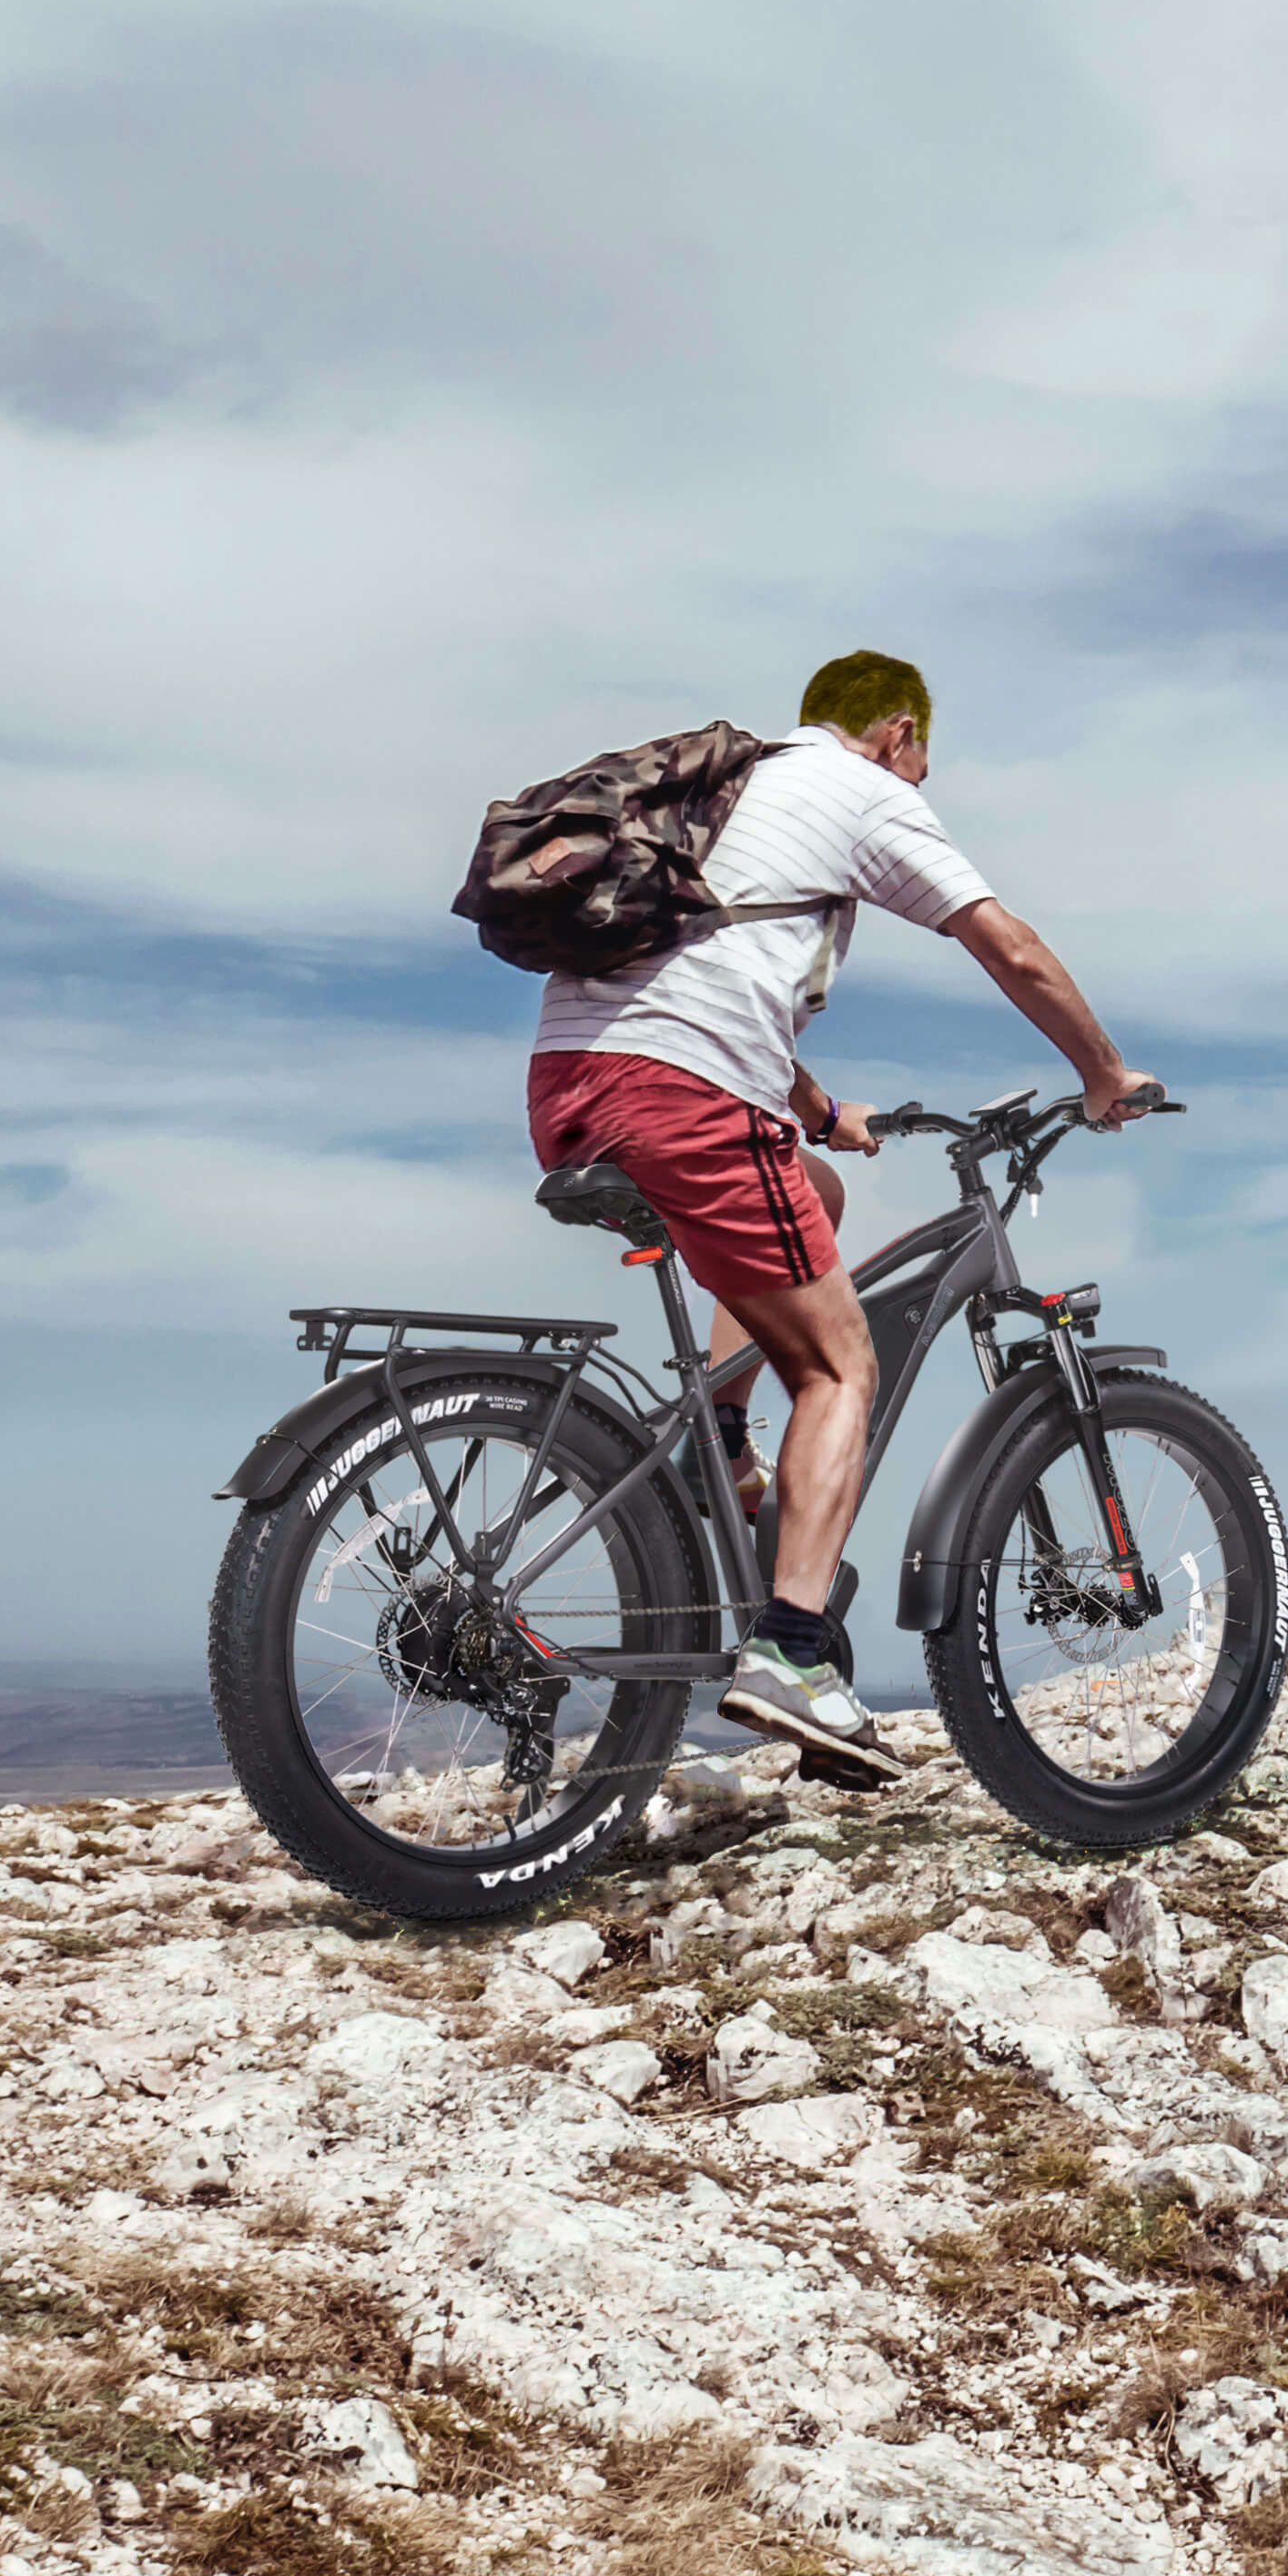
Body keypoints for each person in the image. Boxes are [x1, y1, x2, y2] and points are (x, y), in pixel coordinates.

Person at [525, 651, 1157, 1788]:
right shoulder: (864, 793)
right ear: (899, 732)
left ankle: (716, 1435)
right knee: (839, 1370)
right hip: (685, 1093)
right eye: (925, 759)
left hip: (575, 1086)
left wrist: (820, 1110)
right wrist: (1103, 1073)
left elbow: (705, 973)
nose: (923, 777)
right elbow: (1004, 942)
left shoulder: (730, 791)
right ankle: (790, 1654)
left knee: (809, 1193)